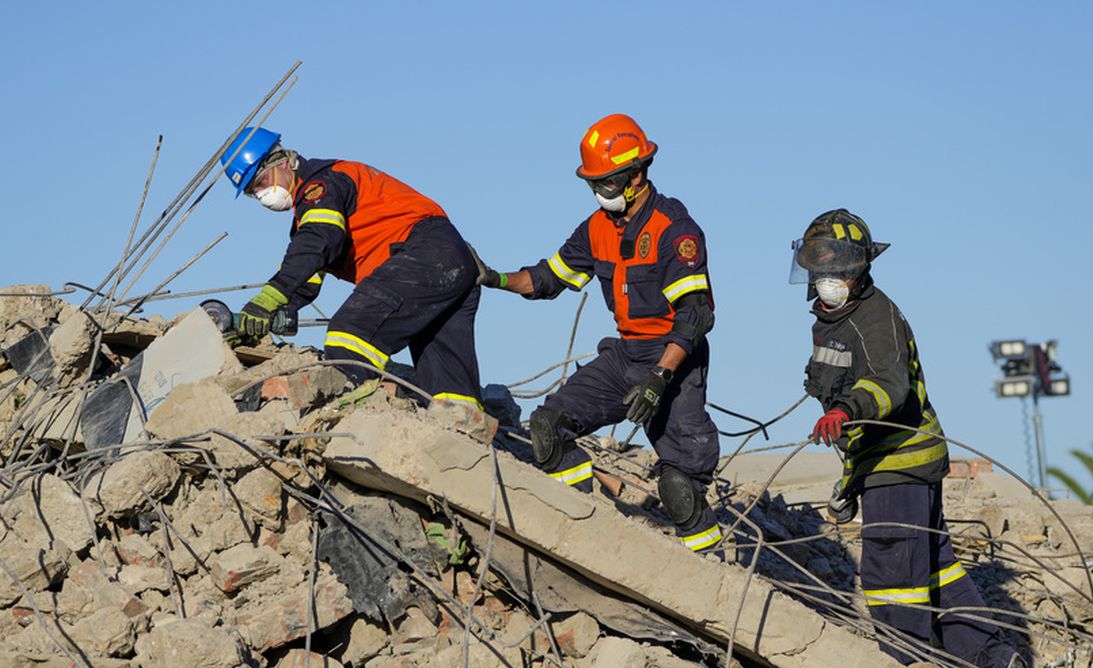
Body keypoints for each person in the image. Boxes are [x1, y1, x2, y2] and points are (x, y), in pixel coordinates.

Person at [791, 208, 1024, 668]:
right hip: (886, 464)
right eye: (819, 270)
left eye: (836, 271)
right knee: (935, 568)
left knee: (891, 573)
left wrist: (846, 410)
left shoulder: (875, 317)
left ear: (858, 271)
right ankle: (995, 665)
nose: (826, 280)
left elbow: (890, 384)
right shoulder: (831, 322)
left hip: (900, 462)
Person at [475, 114, 722, 553]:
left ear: (636, 175)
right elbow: (546, 278)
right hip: (625, 356)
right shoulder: (595, 229)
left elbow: (695, 316)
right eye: (593, 184)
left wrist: (659, 379)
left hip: (674, 363)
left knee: (679, 488)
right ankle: (582, 529)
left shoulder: (675, 230)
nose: (599, 193)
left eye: (606, 183)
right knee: (548, 428)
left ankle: (710, 566)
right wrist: (493, 278)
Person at [219, 127, 484, 409]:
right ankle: (463, 432)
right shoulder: (309, 215)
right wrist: (264, 319)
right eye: (251, 192)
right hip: (450, 260)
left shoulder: (321, 186)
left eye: (260, 182)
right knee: (446, 383)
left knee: (350, 331)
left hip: (424, 252)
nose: (260, 195)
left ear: (282, 161)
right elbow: (307, 277)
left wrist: (268, 297)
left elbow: (318, 242)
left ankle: (354, 413)